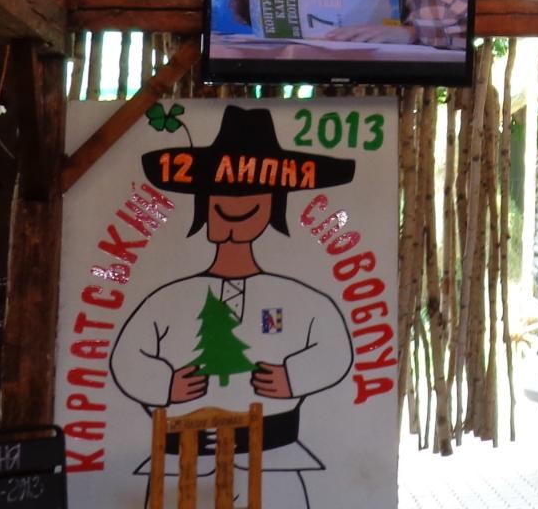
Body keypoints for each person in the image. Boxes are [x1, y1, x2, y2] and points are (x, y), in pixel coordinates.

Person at [113, 105, 358, 509]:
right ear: (204, 205)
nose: (233, 204)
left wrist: (294, 377)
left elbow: (335, 349)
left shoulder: (301, 300)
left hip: (273, 459)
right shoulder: (166, 301)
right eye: (221, 195)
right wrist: (164, 385)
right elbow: (127, 358)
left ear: (272, 205)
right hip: (183, 462)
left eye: (250, 195)